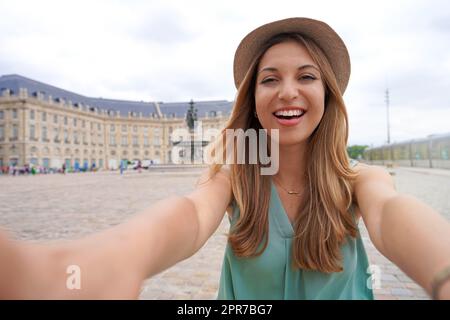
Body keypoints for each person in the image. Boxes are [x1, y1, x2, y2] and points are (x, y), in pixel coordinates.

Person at [0, 17, 450, 300]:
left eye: (306, 76)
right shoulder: (235, 178)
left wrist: (443, 273)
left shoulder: (360, 179)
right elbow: (190, 216)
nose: (288, 90)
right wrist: (114, 260)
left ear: (327, 95)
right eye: (269, 79)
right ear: (252, 100)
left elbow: (392, 216)